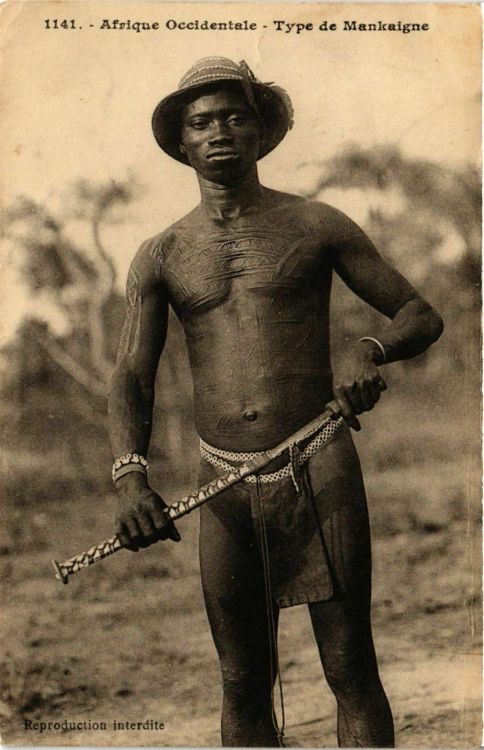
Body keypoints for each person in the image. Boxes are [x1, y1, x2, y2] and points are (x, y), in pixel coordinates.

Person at [107, 57, 443, 748]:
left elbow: (418, 312)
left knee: (350, 668)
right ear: (182, 143)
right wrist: (130, 474)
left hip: (317, 464)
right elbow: (131, 375)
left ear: (262, 130)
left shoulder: (317, 224)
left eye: (236, 116)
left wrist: (369, 350)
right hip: (222, 483)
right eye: (202, 122)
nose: (220, 131)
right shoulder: (161, 253)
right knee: (241, 680)